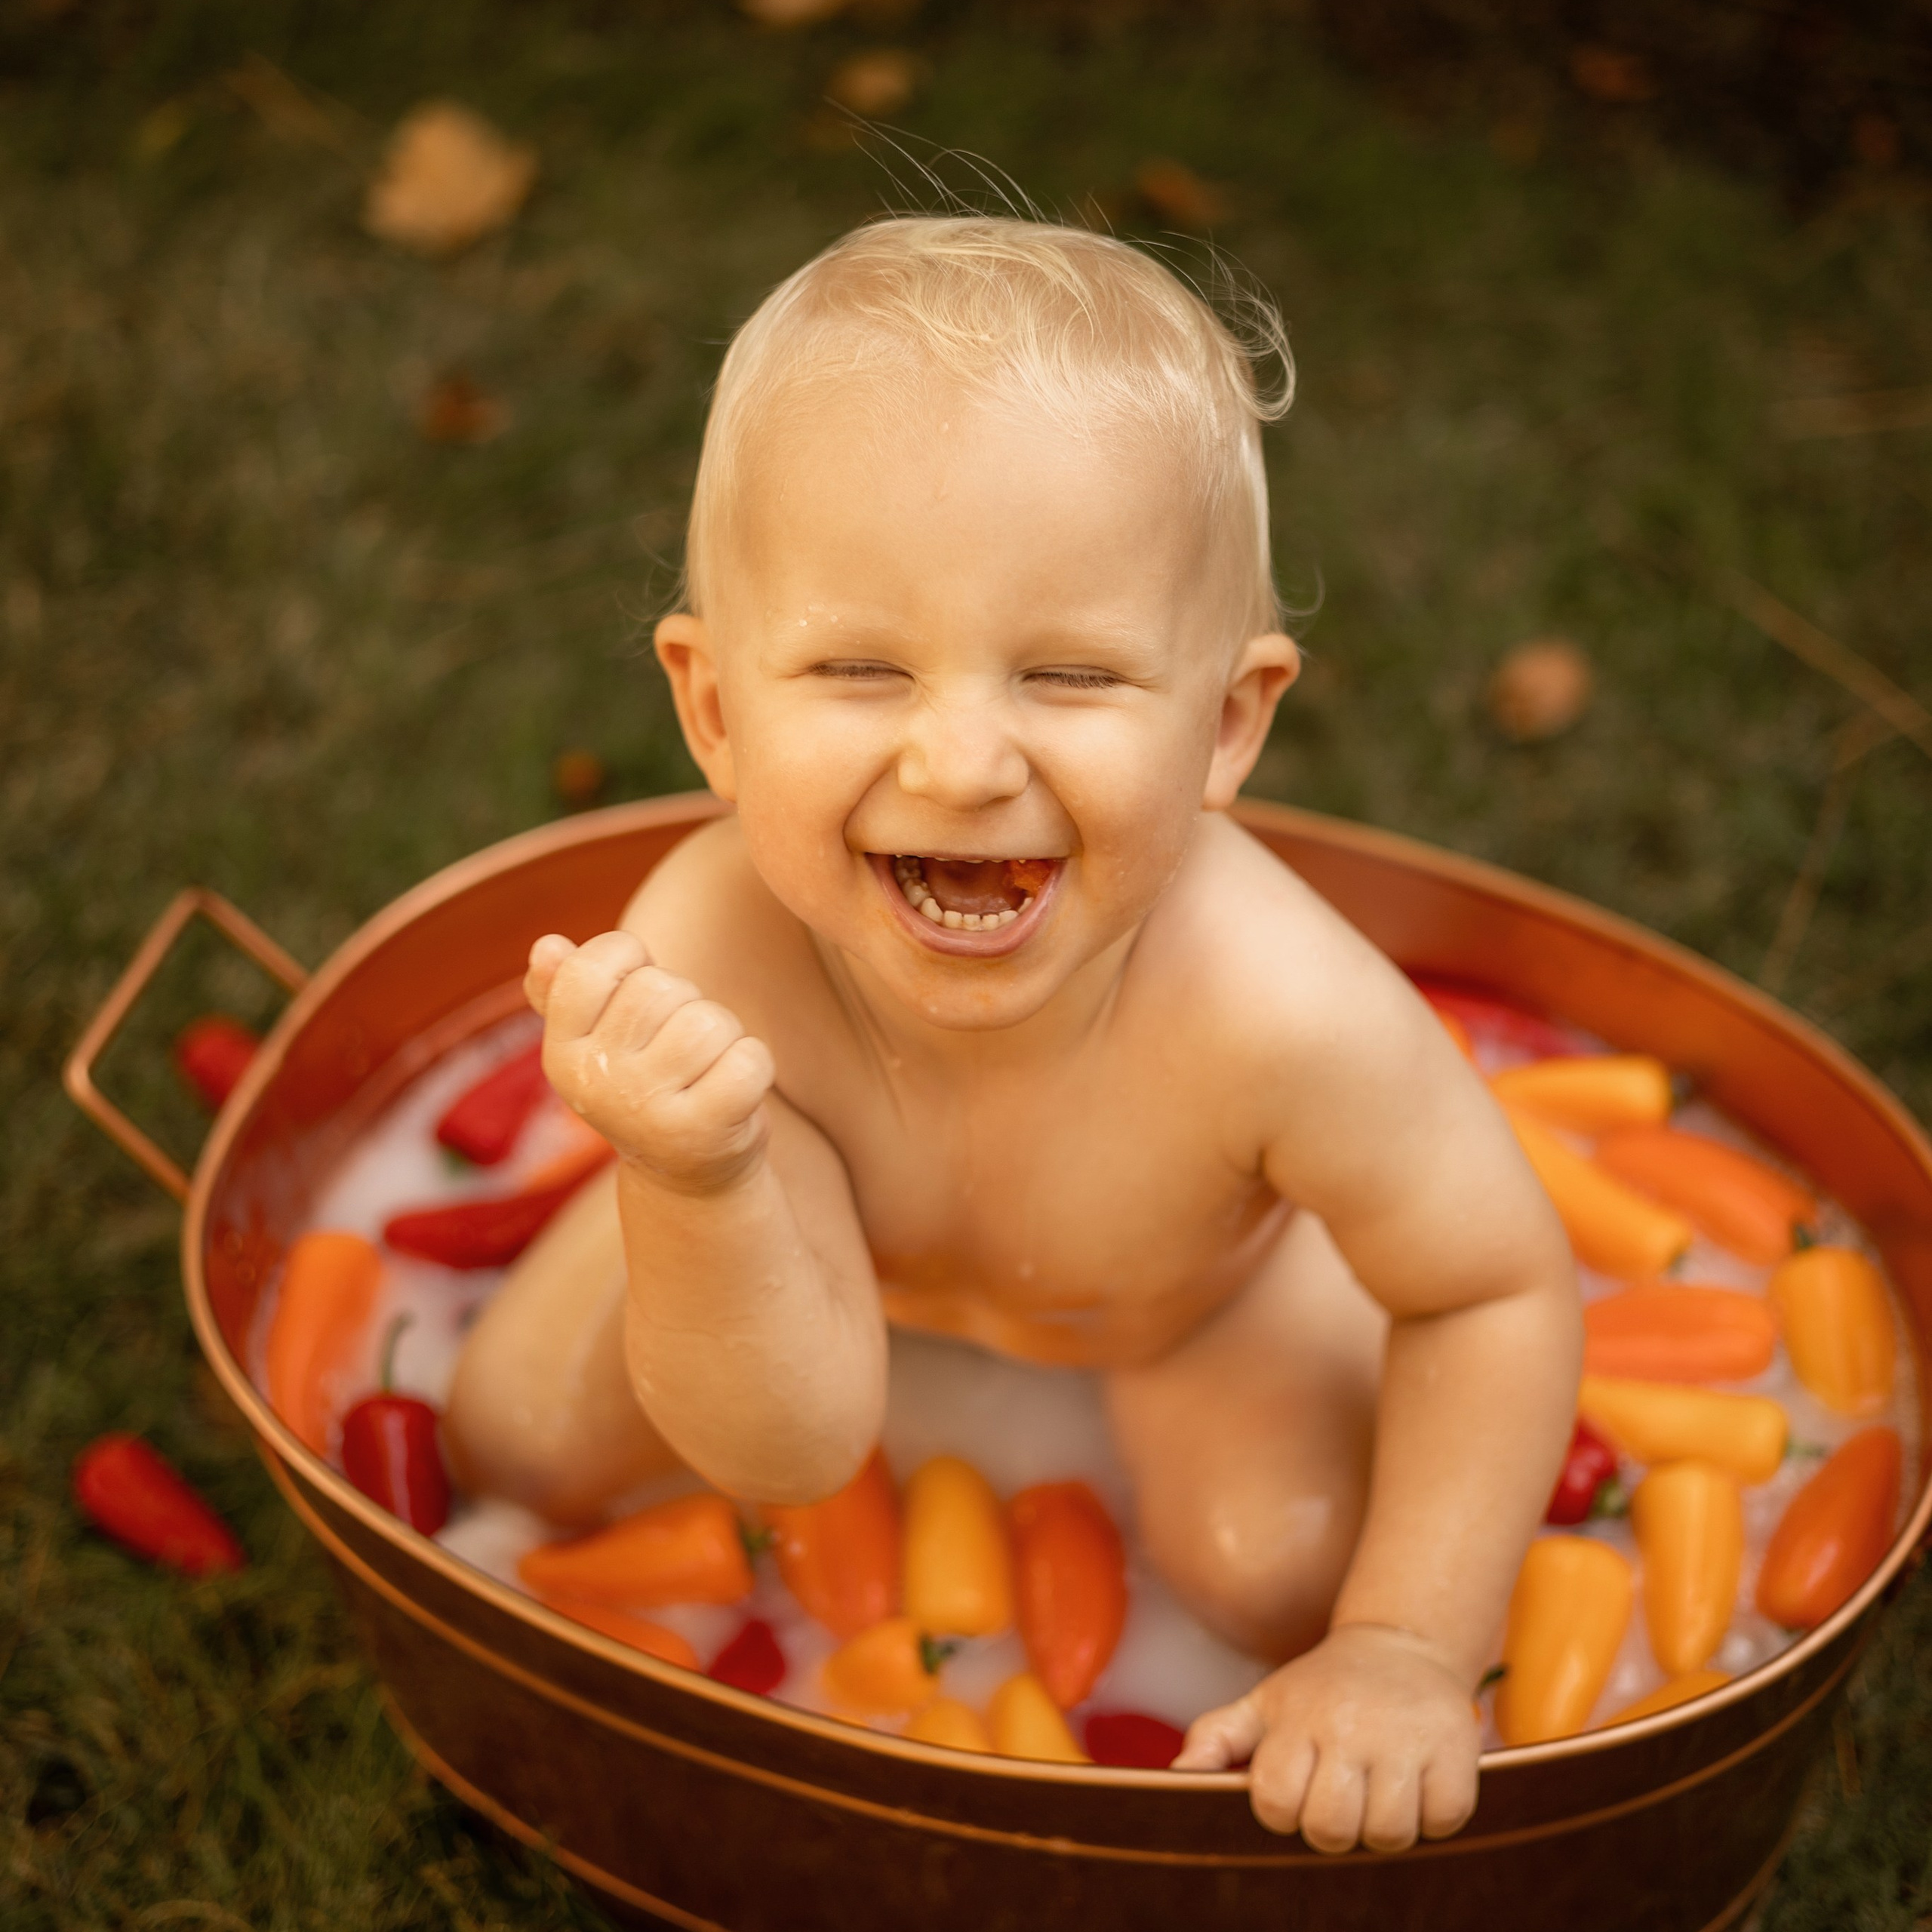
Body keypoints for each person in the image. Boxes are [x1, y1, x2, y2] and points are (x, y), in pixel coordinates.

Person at [448, 214, 1580, 1851]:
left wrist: (1408, 1645)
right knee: (515, 1439)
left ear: (1228, 720)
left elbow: (1493, 1282)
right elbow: (787, 1444)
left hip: (1188, 1305)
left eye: (1068, 672)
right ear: (710, 708)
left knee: (1286, 1567)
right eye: (855, 665)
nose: (963, 760)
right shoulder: (710, 952)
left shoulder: (1278, 1011)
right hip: (804, 1279)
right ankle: (682, 1204)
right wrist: (697, 1181)